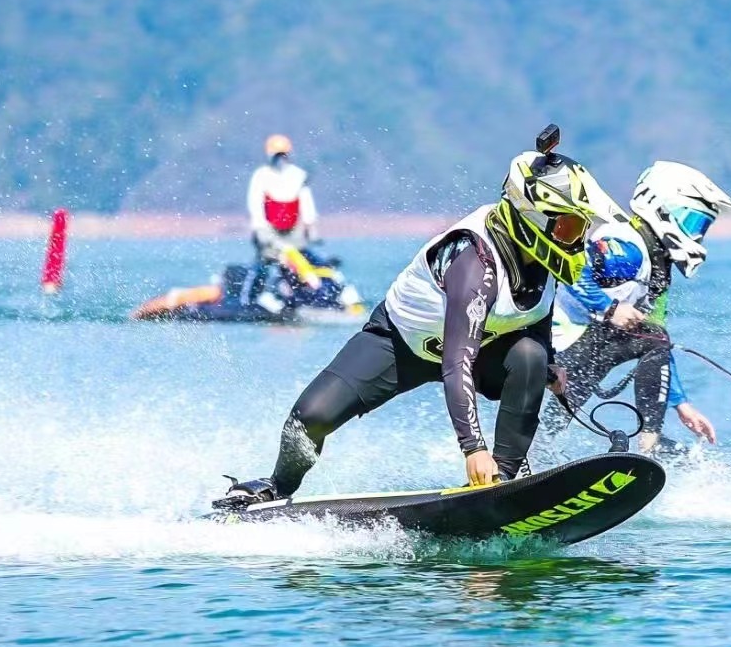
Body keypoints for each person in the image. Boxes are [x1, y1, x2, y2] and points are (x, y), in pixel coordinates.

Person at [216, 126, 622, 508]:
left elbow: (534, 318)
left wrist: (549, 365)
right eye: (570, 226)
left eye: (581, 228)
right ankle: (276, 491)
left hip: (483, 351)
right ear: (533, 217)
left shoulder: (545, 258)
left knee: (531, 357)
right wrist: (473, 448)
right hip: (398, 343)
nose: (578, 239)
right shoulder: (475, 263)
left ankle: (504, 482)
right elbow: (455, 360)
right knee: (308, 422)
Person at [542, 161, 731, 455]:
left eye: (703, 228)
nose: (697, 236)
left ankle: (535, 449)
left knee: (652, 337)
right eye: (692, 223)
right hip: (553, 348)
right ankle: (649, 446)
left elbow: (655, 347)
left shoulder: (657, 268)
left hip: (580, 350)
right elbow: (568, 267)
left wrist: (681, 404)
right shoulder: (628, 249)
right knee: (653, 336)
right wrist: (609, 308)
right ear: (660, 208)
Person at [248, 135, 319, 263]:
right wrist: (259, 229)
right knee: (264, 262)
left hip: (294, 233)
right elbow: (255, 205)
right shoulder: (262, 175)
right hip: (269, 232)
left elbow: (307, 205)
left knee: (301, 260)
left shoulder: (298, 175)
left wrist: (311, 229)